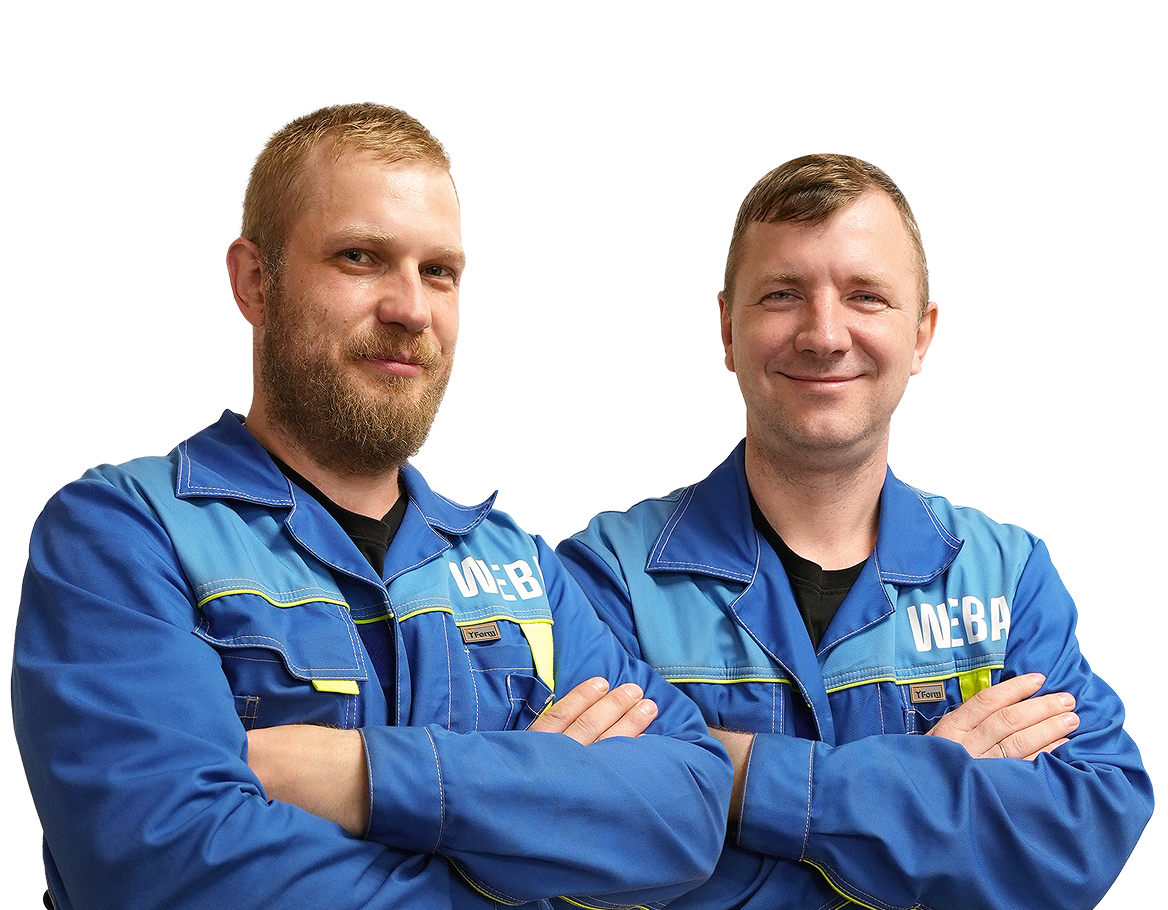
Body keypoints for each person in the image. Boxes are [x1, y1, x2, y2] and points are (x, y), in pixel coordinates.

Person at [11, 99, 732, 910]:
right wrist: (538, 823)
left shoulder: (520, 566)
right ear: (253, 281)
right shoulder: (124, 532)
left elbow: (690, 811)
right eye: (360, 257)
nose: (411, 309)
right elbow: (165, 869)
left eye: (440, 272)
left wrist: (364, 775)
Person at [556, 151, 1154, 909]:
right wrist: (930, 786)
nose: (824, 335)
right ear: (726, 328)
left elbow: (1082, 839)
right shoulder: (604, 577)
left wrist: (733, 778)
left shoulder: (1008, 575)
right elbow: (584, 848)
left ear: (922, 334)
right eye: (783, 294)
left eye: (866, 297)